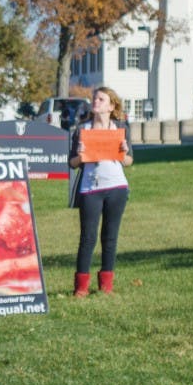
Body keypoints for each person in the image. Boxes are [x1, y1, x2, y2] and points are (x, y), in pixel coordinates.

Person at [67, 86, 133, 297]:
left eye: (101, 100)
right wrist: (80, 155)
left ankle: (106, 286)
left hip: (117, 188)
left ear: (111, 106)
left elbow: (129, 162)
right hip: (90, 189)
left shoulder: (120, 128)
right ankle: (81, 287)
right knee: (87, 238)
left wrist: (123, 153)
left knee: (110, 237)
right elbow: (72, 163)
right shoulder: (82, 129)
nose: (96, 102)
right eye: (95, 99)